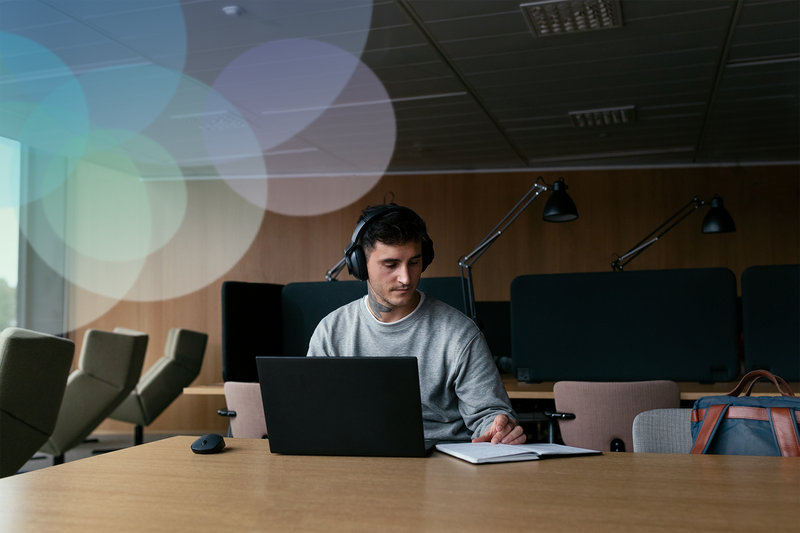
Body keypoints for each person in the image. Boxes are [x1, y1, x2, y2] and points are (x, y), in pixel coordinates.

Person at [307, 203, 525, 445]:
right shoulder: (331, 332)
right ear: (360, 265)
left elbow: (488, 415)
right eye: (390, 265)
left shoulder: (459, 333)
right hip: (358, 460)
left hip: (442, 463)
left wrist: (500, 428)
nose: (406, 278)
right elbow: (315, 415)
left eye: (414, 262)